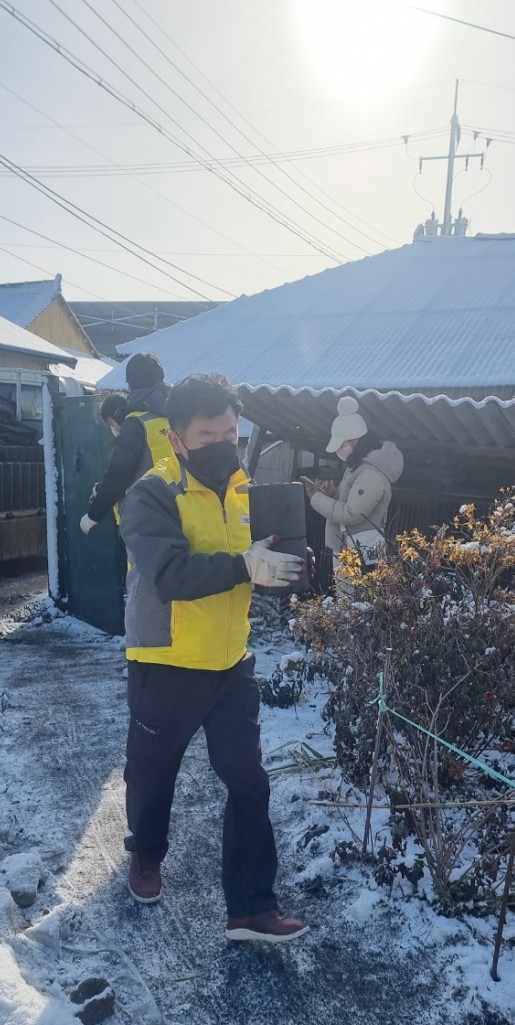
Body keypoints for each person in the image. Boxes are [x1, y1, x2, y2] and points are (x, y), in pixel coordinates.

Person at [119, 372, 310, 943]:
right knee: (154, 777)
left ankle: (251, 908)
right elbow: (171, 575)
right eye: (207, 436)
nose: (223, 443)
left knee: (249, 781)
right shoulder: (150, 494)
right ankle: (146, 854)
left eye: (231, 431)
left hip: (231, 662)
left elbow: (260, 555)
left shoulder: (243, 488)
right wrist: (244, 567)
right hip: (168, 661)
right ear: (176, 439)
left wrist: (289, 572)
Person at [303, 395, 404, 574]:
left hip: (360, 554)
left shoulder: (371, 475)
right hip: (351, 550)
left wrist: (315, 497)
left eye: (340, 444)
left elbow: (351, 514)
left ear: (355, 441)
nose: (337, 451)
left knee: (356, 600)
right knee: (349, 600)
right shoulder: (358, 467)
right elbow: (349, 502)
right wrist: (334, 493)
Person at [80, 352, 175, 534]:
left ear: (132, 384)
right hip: (178, 510)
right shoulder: (177, 415)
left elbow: (118, 474)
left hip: (144, 517)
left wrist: (93, 516)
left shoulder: (135, 423)